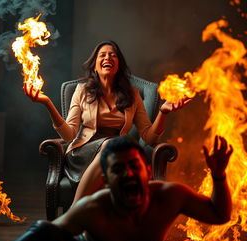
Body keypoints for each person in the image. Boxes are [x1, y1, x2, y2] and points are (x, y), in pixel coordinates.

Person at [0, 135, 233, 241]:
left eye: (134, 166)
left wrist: (219, 175)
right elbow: (44, 235)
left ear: (148, 172)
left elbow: (219, 214)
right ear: (107, 181)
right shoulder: (93, 208)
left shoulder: (169, 196)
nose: (127, 174)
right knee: (41, 233)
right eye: (118, 170)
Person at [24, 40, 191, 203]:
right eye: (102, 55)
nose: (107, 58)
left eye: (113, 55)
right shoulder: (81, 91)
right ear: (95, 65)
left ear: (119, 65)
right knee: (110, 145)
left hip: (119, 155)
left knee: (112, 146)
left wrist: (163, 112)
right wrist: (47, 103)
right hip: (84, 154)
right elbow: (69, 136)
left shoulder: (133, 94)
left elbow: (149, 138)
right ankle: (78, 208)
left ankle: (79, 214)